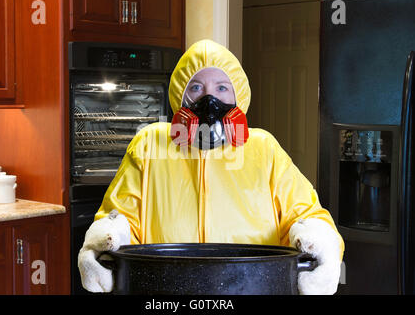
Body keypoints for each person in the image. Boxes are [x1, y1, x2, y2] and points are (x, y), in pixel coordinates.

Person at [78, 39, 344, 295]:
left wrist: (318, 242)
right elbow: (121, 217)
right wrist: (105, 241)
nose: (209, 100)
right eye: (195, 88)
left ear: (238, 96)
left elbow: (304, 215)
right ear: (179, 98)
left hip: (248, 287)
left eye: (221, 88)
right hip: (166, 289)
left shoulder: (264, 149)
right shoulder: (150, 146)